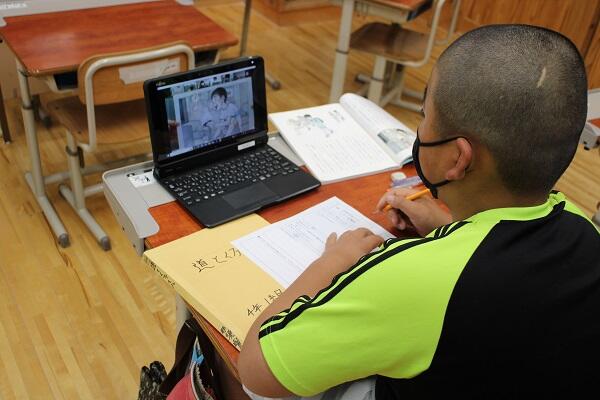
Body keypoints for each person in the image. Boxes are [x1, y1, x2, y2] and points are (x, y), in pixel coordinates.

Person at [237, 24, 600, 399]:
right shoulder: (583, 228)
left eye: (425, 115)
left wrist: (335, 261)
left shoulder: (413, 278)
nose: (420, 128)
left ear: (456, 158)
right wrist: (448, 225)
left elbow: (256, 372)